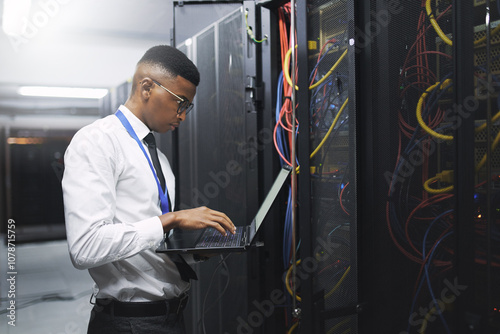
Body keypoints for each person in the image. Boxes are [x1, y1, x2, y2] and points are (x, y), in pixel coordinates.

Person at [62, 45, 235, 334]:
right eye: (180, 102)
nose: (183, 115)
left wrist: (194, 253)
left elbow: (147, 240)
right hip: (129, 322)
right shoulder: (97, 142)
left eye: (187, 107)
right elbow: (85, 247)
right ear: (146, 88)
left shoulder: (159, 158)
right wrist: (172, 219)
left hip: (171, 315)